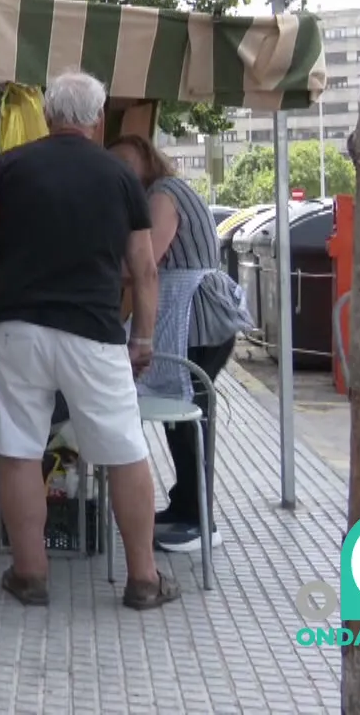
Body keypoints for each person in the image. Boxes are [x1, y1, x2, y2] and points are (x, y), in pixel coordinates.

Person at [0, 70, 178, 611]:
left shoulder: (8, 166)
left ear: (48, 117)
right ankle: (143, 580)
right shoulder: (119, 177)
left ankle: (30, 574)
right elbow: (144, 270)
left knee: (20, 448)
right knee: (124, 451)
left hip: (17, 329)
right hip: (92, 334)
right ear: (97, 121)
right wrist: (142, 338)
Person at [107, 134, 248, 555]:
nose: (123, 174)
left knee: (188, 413)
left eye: (127, 164)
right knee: (183, 413)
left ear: (148, 162)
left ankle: (198, 518)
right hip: (196, 316)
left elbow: (143, 261)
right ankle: (186, 503)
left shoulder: (164, 194)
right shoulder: (165, 192)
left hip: (196, 316)